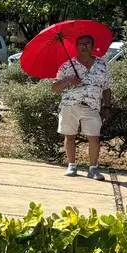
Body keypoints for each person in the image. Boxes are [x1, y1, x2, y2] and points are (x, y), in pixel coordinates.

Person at [52, 35, 112, 180]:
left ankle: (93, 169)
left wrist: (107, 106)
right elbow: (54, 88)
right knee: (70, 136)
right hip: (70, 105)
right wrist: (68, 80)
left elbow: (107, 87)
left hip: (92, 106)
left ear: (92, 46)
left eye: (87, 43)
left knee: (94, 137)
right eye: (80, 44)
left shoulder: (102, 65)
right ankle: (71, 165)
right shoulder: (67, 66)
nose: (84, 46)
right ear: (76, 47)